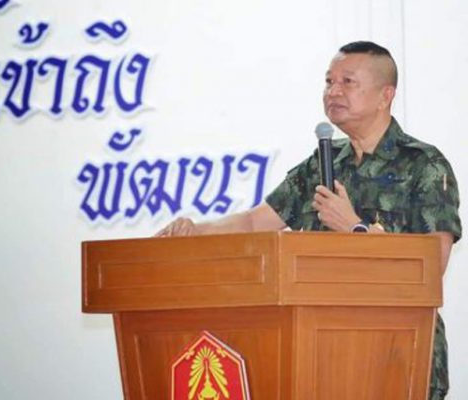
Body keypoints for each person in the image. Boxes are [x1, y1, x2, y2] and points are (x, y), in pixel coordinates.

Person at [155, 41, 462, 399]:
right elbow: (255, 223)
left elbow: (432, 268)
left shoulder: (424, 165)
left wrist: (356, 230)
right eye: (329, 81)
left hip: (398, 354)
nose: (333, 91)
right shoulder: (321, 164)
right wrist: (197, 230)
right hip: (322, 354)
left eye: (347, 82)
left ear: (385, 95)